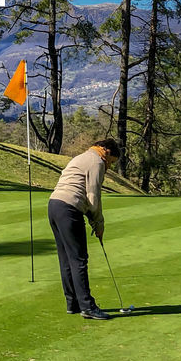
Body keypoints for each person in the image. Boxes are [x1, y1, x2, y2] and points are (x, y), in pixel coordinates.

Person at [48, 136, 120, 320]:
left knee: (66, 258)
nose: (110, 166)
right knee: (79, 259)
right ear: (107, 152)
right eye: (111, 162)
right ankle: (87, 307)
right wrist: (98, 223)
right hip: (69, 207)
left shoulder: (81, 157)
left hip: (54, 205)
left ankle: (73, 303)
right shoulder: (97, 162)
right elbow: (93, 196)